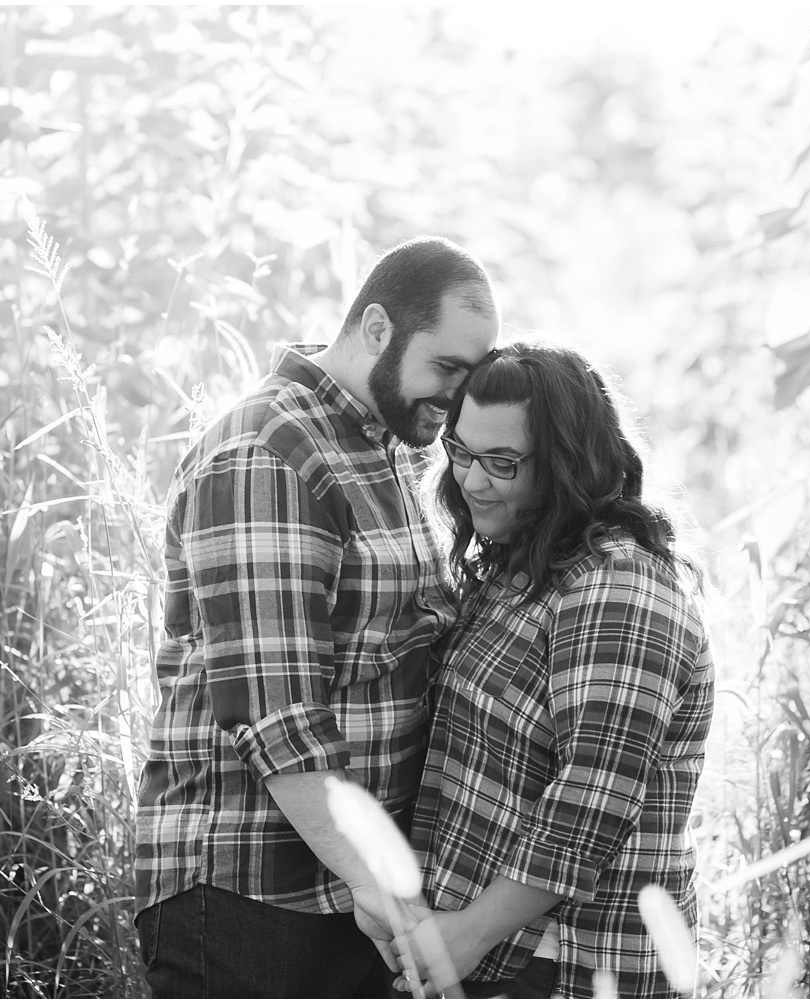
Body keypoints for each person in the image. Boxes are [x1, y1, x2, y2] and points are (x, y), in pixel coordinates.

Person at [134, 236, 499, 997]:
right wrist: (378, 877)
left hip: (346, 887)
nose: (457, 396)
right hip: (250, 894)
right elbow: (277, 711)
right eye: (447, 369)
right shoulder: (269, 453)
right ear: (376, 329)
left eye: (473, 375)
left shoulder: (386, 444)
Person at [398, 340, 715, 998]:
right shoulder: (520, 569)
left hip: (569, 961)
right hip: (500, 953)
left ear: (567, 463)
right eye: (459, 451)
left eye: (503, 462)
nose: (471, 479)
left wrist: (471, 934)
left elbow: (590, 801)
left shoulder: (617, 586)